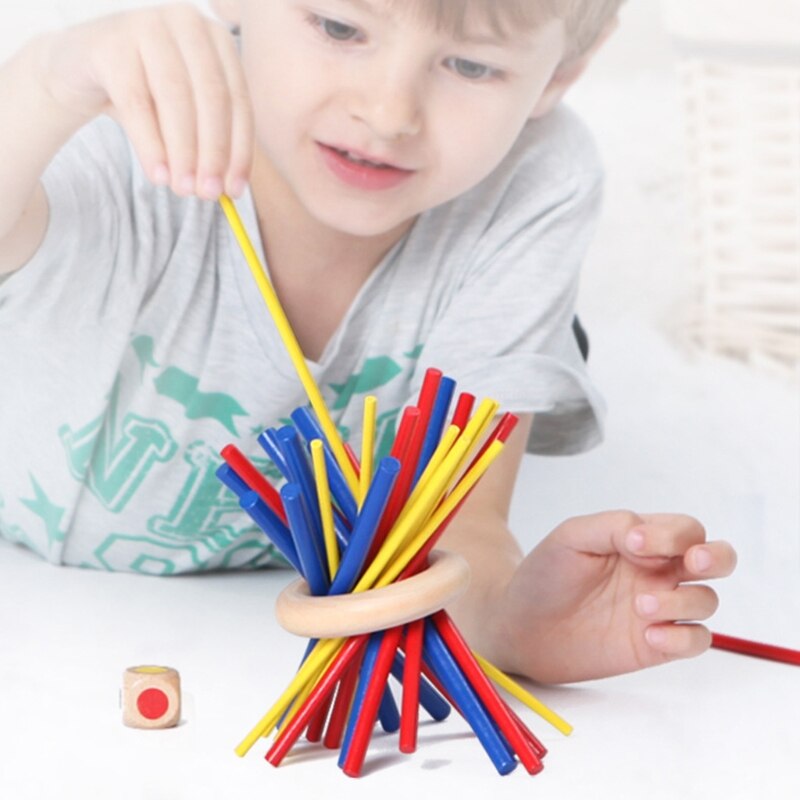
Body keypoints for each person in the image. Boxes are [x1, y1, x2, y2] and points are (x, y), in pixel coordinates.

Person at [0, 0, 735, 684]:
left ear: (564, 72)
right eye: (339, 27)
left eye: (472, 66)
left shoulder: (533, 182)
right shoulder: (119, 122)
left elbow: (458, 529)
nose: (388, 115)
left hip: (226, 660)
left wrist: (508, 620)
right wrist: (42, 84)